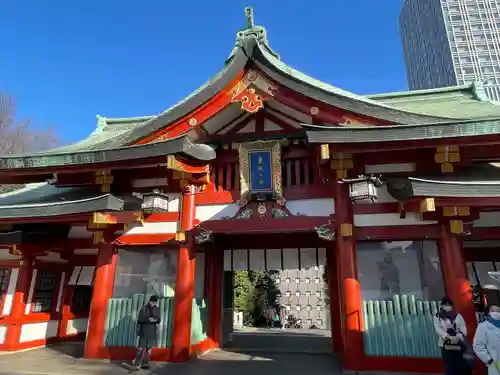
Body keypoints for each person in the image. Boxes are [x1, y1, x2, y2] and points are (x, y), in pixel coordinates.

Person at [434, 296, 471, 375]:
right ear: (442, 305)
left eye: (449, 305)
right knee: (449, 366)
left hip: (458, 342)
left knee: (459, 364)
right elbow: (438, 328)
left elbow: (463, 327)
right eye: (446, 305)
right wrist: (447, 336)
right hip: (445, 343)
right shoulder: (438, 316)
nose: (448, 307)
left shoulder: (457, 315)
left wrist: (460, 334)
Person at [134, 295, 161, 371]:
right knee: (140, 348)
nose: (154, 303)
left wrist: (155, 320)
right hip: (144, 331)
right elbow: (140, 319)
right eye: (152, 302)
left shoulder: (157, 309)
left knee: (148, 349)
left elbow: (159, 319)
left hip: (152, 331)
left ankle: (145, 363)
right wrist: (148, 320)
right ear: (149, 301)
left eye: (155, 302)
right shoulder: (144, 308)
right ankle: (137, 363)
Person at [474, 304, 500, 375]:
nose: (497, 312)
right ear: (489, 313)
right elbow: (478, 345)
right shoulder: (483, 326)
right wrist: (488, 359)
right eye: (493, 311)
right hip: (495, 363)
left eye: (498, 311)